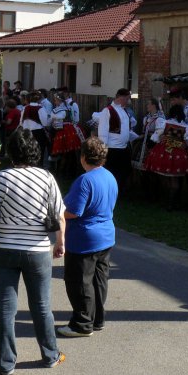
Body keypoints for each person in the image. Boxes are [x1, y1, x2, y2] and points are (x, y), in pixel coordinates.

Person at [0, 128, 66, 375]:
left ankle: (6, 362)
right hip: (37, 250)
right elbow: (59, 215)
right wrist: (60, 242)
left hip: (4, 249)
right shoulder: (47, 177)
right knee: (41, 306)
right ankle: (50, 355)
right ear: (35, 151)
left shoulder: (1, 179)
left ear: (11, 151)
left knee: (6, 308)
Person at [57, 136, 118, 337]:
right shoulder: (109, 176)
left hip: (84, 239)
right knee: (99, 280)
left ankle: (82, 323)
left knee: (80, 282)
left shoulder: (84, 180)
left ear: (83, 157)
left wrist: (56, 212)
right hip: (106, 235)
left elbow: (73, 211)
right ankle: (97, 318)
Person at [144, 104, 188, 211]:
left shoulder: (165, 123)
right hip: (179, 155)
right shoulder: (186, 127)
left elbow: (156, 137)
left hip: (163, 154)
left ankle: (167, 202)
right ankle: (171, 203)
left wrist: (159, 140)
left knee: (165, 178)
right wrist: (183, 143)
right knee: (175, 179)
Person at [97, 88, 132, 192]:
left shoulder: (124, 110)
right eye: (127, 99)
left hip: (124, 148)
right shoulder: (107, 111)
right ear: (121, 97)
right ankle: (110, 192)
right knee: (112, 172)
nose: (128, 101)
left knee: (125, 171)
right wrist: (103, 149)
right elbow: (103, 132)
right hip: (113, 148)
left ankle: (119, 191)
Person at [21, 91, 49, 167]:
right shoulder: (41, 109)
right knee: (39, 151)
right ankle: (38, 167)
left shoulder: (25, 108)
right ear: (39, 99)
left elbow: (21, 122)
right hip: (38, 133)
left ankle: (27, 166)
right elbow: (45, 123)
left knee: (27, 150)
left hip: (26, 133)